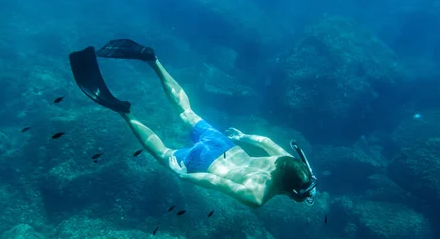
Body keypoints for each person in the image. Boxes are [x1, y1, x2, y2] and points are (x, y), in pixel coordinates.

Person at [69, 39, 318, 207]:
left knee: (186, 112)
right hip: (205, 164)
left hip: (226, 146)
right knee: (163, 152)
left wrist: (242, 137)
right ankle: (124, 112)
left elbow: (266, 141)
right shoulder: (258, 196)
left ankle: (152, 60)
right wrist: (183, 176)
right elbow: (216, 181)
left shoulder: (290, 161)